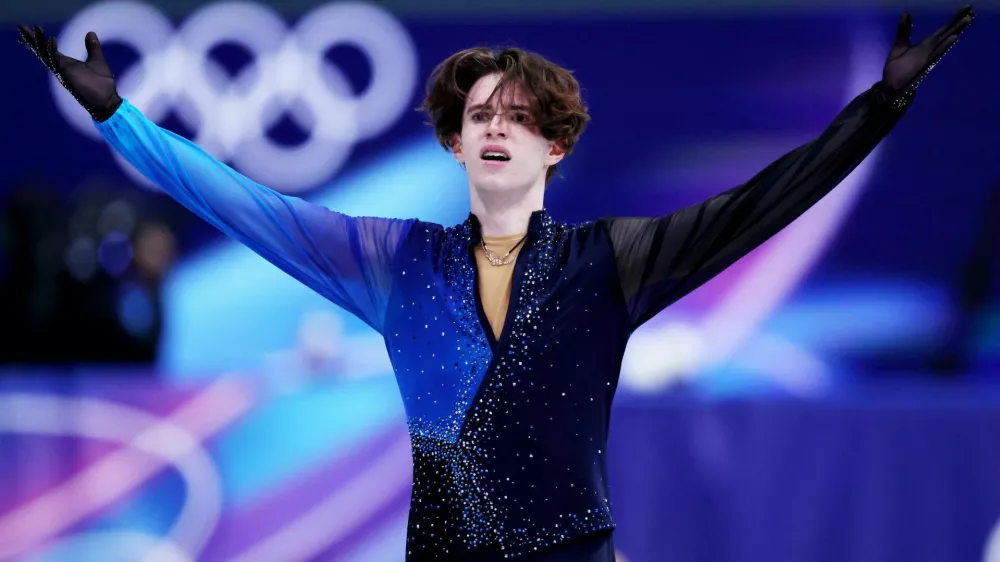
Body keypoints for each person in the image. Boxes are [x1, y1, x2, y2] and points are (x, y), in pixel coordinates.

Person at [17, 6, 976, 561]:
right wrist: (121, 120)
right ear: (453, 141)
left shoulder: (612, 261)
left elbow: (767, 200)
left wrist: (881, 105)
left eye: (517, 115)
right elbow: (244, 205)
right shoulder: (394, 262)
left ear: (555, 146)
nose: (493, 125)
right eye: (477, 112)